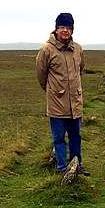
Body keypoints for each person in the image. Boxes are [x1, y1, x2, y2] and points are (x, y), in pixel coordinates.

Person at [35, 12, 88, 175]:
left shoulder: (78, 49)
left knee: (76, 136)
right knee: (59, 138)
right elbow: (41, 74)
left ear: (72, 30)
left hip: (75, 102)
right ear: (56, 29)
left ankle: (76, 166)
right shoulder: (46, 50)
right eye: (62, 27)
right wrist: (53, 91)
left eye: (68, 27)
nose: (65, 30)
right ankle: (61, 168)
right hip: (57, 103)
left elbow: (81, 69)